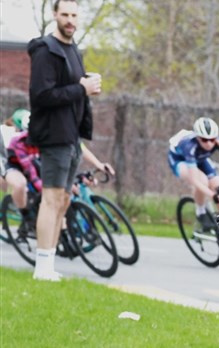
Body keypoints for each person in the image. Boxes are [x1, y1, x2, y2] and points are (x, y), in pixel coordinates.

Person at [27, 0, 101, 281]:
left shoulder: (73, 50)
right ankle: (42, 267)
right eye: (65, 14)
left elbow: (72, 90)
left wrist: (86, 87)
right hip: (54, 135)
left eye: (74, 15)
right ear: (54, 15)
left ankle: (49, 263)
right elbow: (41, 96)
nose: (70, 20)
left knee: (64, 200)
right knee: (51, 198)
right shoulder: (46, 50)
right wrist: (80, 87)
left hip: (71, 137)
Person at [168, 116, 219, 230]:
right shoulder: (189, 145)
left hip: (200, 159)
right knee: (202, 180)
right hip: (179, 160)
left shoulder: (218, 141)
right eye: (204, 140)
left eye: (212, 140)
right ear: (198, 137)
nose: (208, 143)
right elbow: (194, 180)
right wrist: (212, 195)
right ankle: (201, 211)